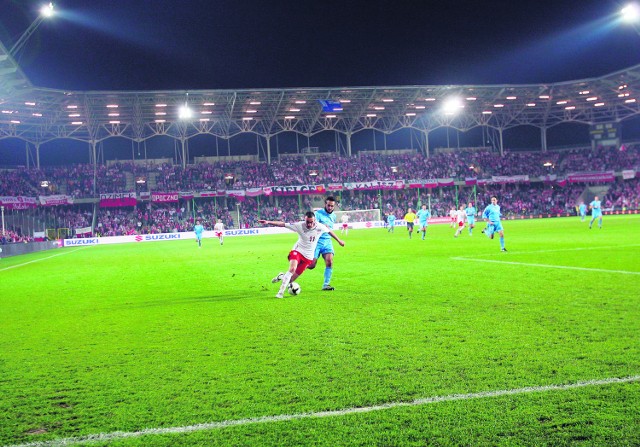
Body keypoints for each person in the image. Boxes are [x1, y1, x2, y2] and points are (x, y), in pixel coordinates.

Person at [261, 212, 345, 298]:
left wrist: (339, 240)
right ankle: (280, 293)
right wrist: (268, 222)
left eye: (311, 222)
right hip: (297, 251)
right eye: (307, 222)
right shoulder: (299, 225)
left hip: (308, 258)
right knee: (292, 269)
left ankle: (281, 276)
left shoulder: (320, 226)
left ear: (314, 220)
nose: (309, 224)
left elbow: (329, 231)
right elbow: (283, 224)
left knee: (290, 280)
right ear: (304, 220)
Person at [309, 196, 338, 291]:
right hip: (316, 242)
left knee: (329, 261)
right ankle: (293, 271)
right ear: (325, 204)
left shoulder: (334, 216)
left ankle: (326, 284)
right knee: (312, 265)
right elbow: (311, 226)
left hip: (327, 242)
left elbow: (329, 230)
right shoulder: (317, 214)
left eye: (332, 206)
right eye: (328, 205)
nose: (330, 207)